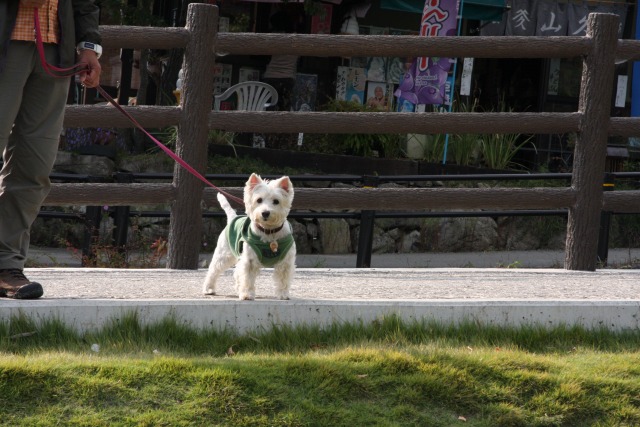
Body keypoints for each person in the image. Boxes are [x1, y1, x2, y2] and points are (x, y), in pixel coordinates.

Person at [0, 0, 102, 299]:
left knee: (33, 167)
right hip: (6, 43)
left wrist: (88, 47)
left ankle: (7, 265)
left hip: (55, 49)